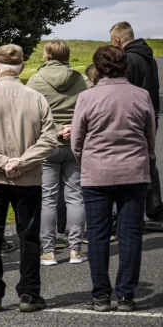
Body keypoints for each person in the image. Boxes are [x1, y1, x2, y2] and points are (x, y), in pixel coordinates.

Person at [0, 44, 57, 313]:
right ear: (22, 67)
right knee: (29, 236)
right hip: (28, 179)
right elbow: (49, 139)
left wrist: (2, 163)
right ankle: (29, 293)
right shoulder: (36, 98)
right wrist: (20, 162)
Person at [71, 45, 156, 313]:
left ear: (98, 68)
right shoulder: (141, 95)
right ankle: (126, 296)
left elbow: (76, 140)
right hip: (134, 171)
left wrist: (85, 161)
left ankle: (100, 296)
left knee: (97, 234)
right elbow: (150, 136)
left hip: (97, 173)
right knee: (131, 235)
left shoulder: (87, 97)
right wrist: (146, 157)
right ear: (125, 66)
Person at [26, 40, 90, 266]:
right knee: (75, 197)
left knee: (48, 199)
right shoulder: (83, 80)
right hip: (74, 144)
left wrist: (52, 131)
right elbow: (91, 110)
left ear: (46, 56)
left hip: (47, 145)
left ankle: (48, 251)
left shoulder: (35, 81)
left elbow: (30, 115)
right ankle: (75, 249)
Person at [109, 22, 162, 222]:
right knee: (149, 161)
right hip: (151, 115)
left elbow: (124, 90)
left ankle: (130, 213)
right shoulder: (149, 58)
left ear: (116, 40)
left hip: (132, 119)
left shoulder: (128, 60)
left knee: (129, 165)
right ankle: (155, 207)